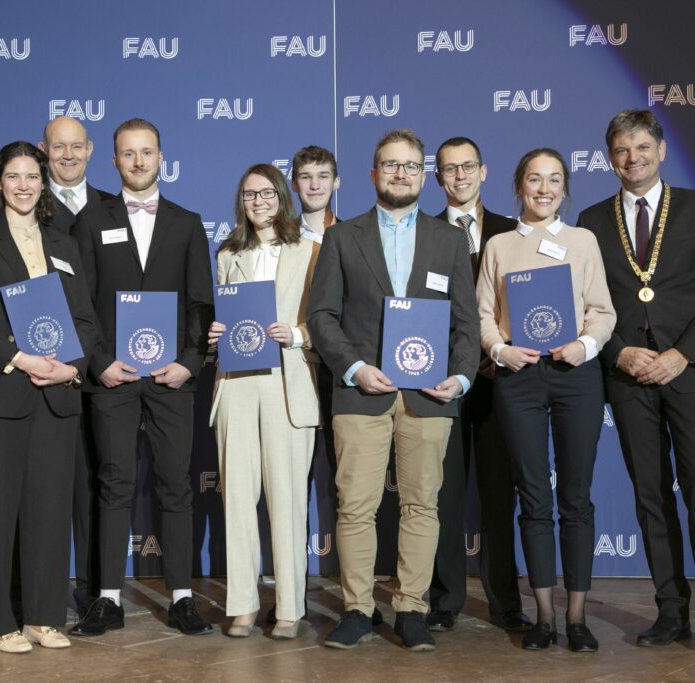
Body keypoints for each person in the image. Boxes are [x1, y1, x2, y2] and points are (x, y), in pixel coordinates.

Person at [577, 109, 695, 656]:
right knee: (651, 497)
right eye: (622, 150)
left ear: (662, 150)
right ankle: (670, 611)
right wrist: (621, 351)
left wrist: (680, 355)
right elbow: (587, 300)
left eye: (643, 147)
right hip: (627, 377)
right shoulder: (592, 219)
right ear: (610, 158)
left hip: (689, 374)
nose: (634, 158)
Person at [307, 129, 480, 652]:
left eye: (410, 165)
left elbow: (466, 324)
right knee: (355, 506)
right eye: (390, 165)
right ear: (372, 173)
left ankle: (411, 608)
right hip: (361, 392)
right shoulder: (342, 236)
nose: (400, 173)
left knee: (422, 506)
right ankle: (359, 609)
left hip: (430, 395)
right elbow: (321, 316)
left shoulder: (450, 239)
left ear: (424, 175)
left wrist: (462, 376)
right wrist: (355, 367)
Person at [0, 141, 99, 653]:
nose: (23, 186)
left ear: (45, 183)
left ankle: (43, 616)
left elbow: (85, 320)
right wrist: (22, 359)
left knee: (50, 510)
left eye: (32, 177)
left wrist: (68, 366)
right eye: (13, 177)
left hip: (57, 394)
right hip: (0, 391)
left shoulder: (64, 244)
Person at [70, 119, 215, 637]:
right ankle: (107, 597)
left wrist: (190, 362)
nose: (137, 162)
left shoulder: (187, 222)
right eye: (127, 154)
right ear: (113, 161)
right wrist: (98, 361)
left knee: (175, 485)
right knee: (113, 484)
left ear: (161, 158)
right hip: (112, 376)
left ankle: (180, 596)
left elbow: (202, 303)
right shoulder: (90, 221)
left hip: (171, 377)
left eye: (146, 153)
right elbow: (79, 302)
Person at [475, 148, 615, 652]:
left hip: (576, 375)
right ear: (519, 186)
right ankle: (543, 617)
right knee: (534, 500)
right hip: (520, 378)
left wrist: (585, 345)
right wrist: (498, 349)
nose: (544, 189)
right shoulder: (498, 245)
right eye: (534, 179)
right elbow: (483, 314)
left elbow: (602, 309)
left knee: (575, 499)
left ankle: (577, 618)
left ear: (565, 188)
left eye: (554, 180)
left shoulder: (583, 241)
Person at [207, 164, 319, 639]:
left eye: (267, 192)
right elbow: (225, 317)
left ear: (282, 196)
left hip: (287, 381)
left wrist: (294, 334)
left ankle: (291, 608)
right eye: (249, 194)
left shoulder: (311, 249)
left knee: (287, 500)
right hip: (236, 382)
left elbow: (330, 321)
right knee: (237, 499)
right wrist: (214, 336)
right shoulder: (228, 253)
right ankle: (243, 604)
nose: (258, 201)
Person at [427, 136, 532, 633]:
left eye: (468, 167)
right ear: (438, 177)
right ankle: (444, 601)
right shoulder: (422, 233)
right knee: (444, 497)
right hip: (440, 382)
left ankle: (506, 602)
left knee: (498, 495)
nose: (460, 176)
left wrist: (498, 351)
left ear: (485, 172)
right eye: (449, 169)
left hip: (499, 382)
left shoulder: (516, 231)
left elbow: (529, 305)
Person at [38, 116, 114, 614]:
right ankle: (35, 590)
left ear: (89, 150)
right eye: (57, 147)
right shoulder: (21, 205)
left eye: (76, 146)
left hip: (103, 368)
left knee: (94, 481)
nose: (67, 155)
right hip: (41, 370)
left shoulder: (114, 208)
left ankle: (92, 590)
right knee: (41, 485)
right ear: (45, 150)